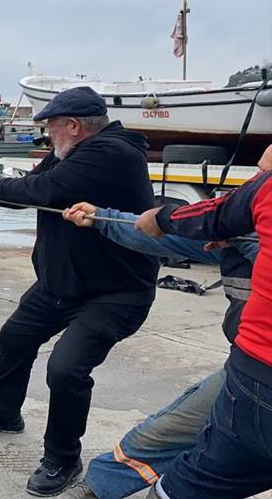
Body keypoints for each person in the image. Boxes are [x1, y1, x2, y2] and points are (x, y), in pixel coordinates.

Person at [0, 86, 160, 496]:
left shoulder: (113, 153)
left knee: (66, 369)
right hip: (61, 285)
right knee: (15, 336)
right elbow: (26, 191)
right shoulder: (68, 156)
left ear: (73, 126)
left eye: (50, 125)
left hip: (115, 293)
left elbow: (45, 191)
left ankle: (62, 458)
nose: (46, 133)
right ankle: (4, 412)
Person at [60, 201, 257, 499]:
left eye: (263, 178)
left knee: (198, 476)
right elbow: (166, 234)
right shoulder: (240, 234)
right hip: (248, 369)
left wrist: (248, 238)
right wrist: (103, 219)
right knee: (164, 432)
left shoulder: (249, 236)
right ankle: (98, 488)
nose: (253, 187)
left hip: (260, 381)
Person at [131, 165, 271, 499]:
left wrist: (161, 218)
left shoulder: (265, 187)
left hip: (259, 377)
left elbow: (214, 214)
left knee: (193, 482)